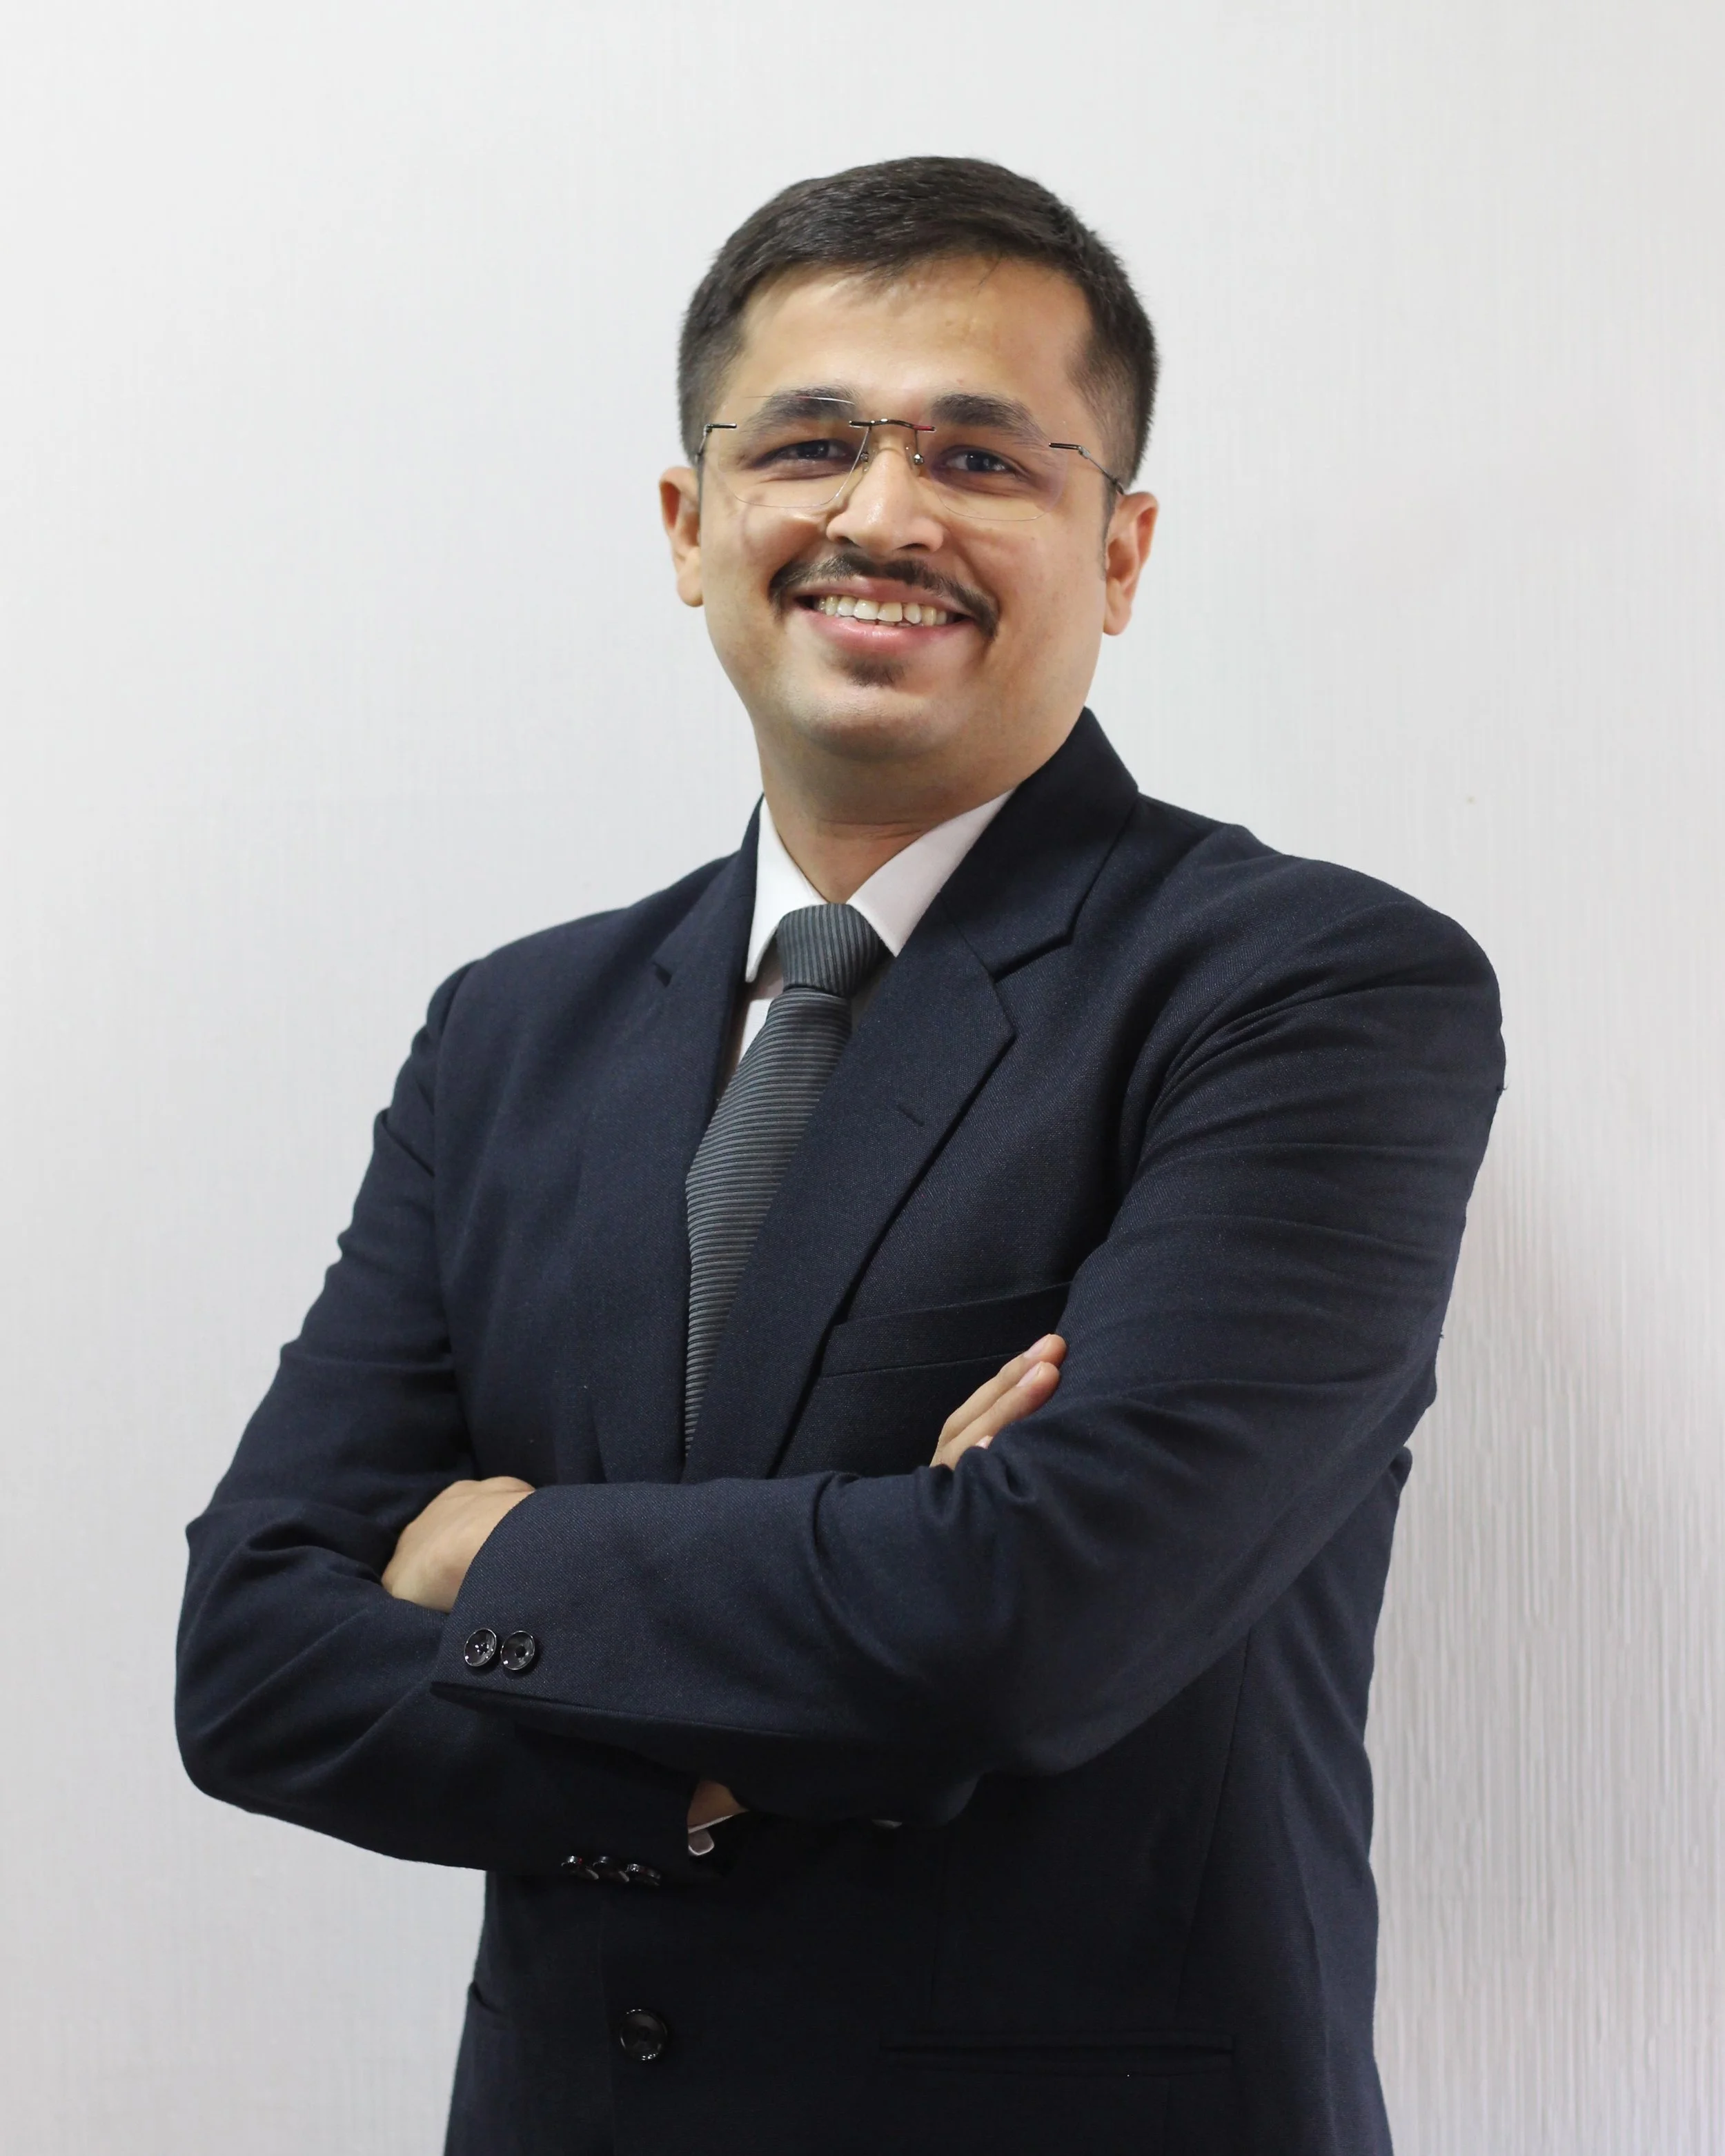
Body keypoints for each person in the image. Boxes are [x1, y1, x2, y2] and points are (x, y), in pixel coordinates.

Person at [176, 156, 1503, 2156]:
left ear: (1120, 549)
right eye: (808, 445)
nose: (883, 514)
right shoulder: (513, 1027)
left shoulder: (1307, 990)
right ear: (689, 525)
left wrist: (489, 1556)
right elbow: (253, 1656)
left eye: (981, 457)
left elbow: (1033, 1625)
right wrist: (752, 1734)